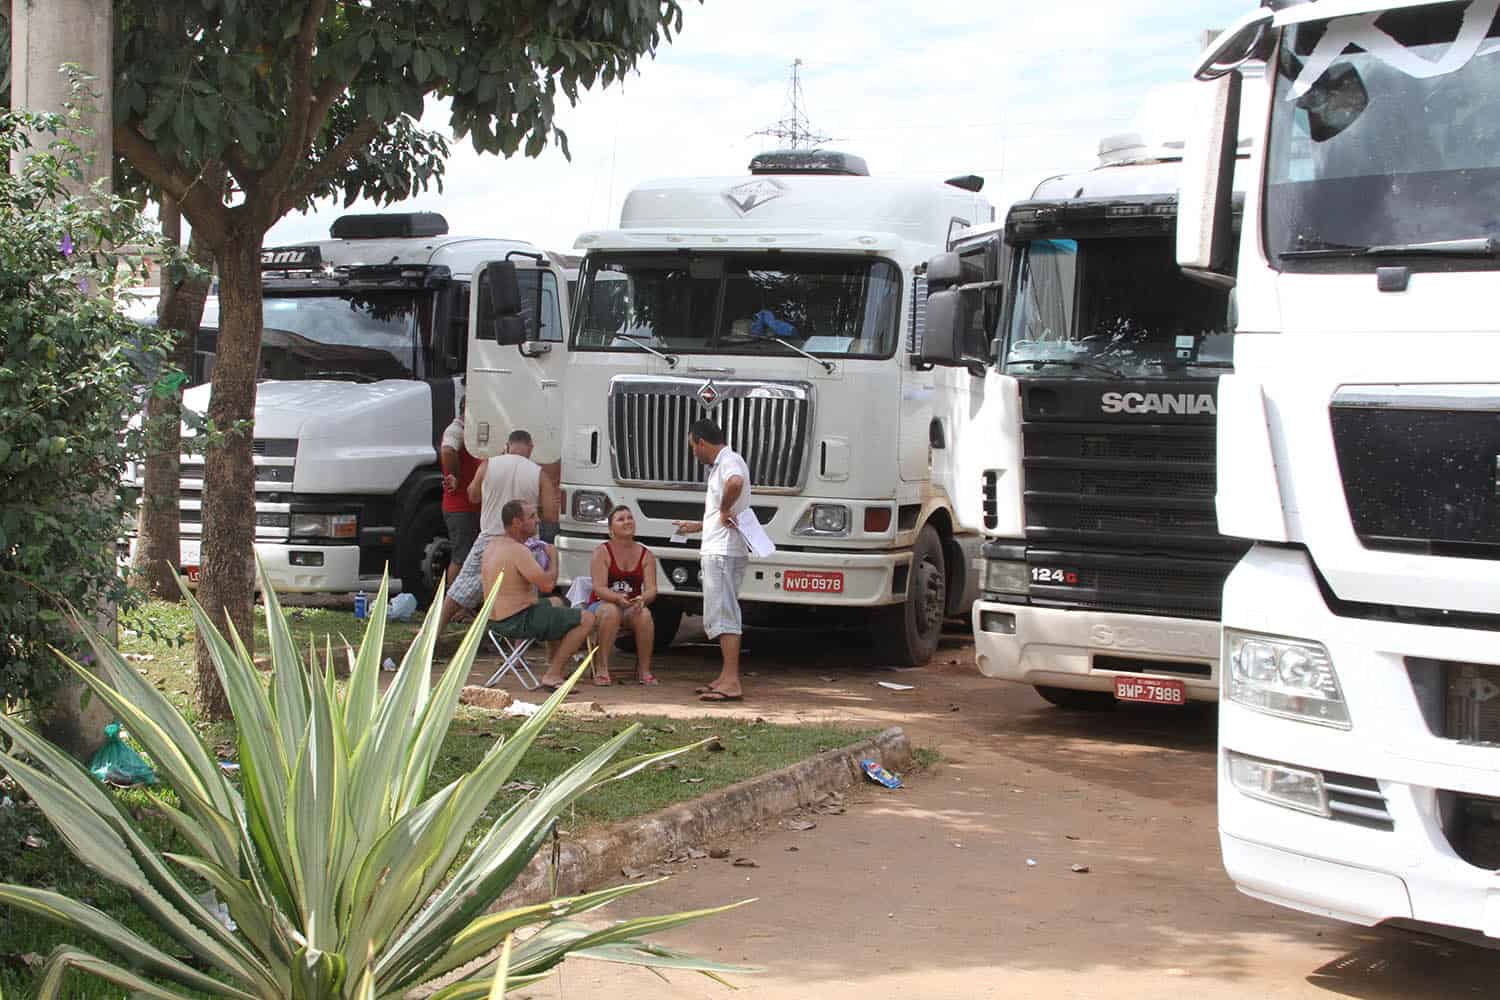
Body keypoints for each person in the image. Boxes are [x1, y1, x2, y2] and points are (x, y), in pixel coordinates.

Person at [673, 417, 751, 703]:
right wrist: (697, 526)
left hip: (723, 552)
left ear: (701, 442)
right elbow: (723, 515)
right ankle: (724, 677)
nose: (693, 452)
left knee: (725, 613)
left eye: (693, 446)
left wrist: (725, 508)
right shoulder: (724, 463)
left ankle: (731, 681)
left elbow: (736, 483)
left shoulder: (729, 462)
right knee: (721, 612)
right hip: (721, 548)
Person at [481, 500, 595, 690]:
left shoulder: (493, 545)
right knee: (587, 618)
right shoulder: (518, 550)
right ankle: (553, 674)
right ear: (517, 522)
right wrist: (553, 559)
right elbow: (548, 584)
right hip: (517, 620)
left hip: (494, 620)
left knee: (556, 602)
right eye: (532, 516)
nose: (538, 520)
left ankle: (553, 661)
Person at [437, 429, 541, 632]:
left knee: (461, 587)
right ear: (531, 448)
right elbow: (549, 509)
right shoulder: (537, 471)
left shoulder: (489, 464)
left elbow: (473, 496)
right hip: (525, 541)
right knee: (525, 591)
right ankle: (518, 648)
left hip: (491, 537)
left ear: (507, 446)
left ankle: (432, 635)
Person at [587, 505, 659, 687]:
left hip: (629, 606)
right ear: (611, 529)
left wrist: (642, 599)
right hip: (601, 605)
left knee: (644, 615)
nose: (627, 521)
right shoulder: (602, 551)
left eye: (630, 518)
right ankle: (602, 668)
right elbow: (599, 587)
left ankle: (645, 670)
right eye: (621, 519)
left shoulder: (646, 554)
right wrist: (617, 598)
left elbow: (652, 589)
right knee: (611, 611)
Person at [438, 395, 482, 590]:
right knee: (461, 557)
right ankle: (453, 605)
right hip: (461, 507)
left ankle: (460, 605)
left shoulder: (470, 431)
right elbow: (447, 450)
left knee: (467, 556)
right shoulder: (457, 429)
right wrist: (454, 475)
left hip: (470, 506)